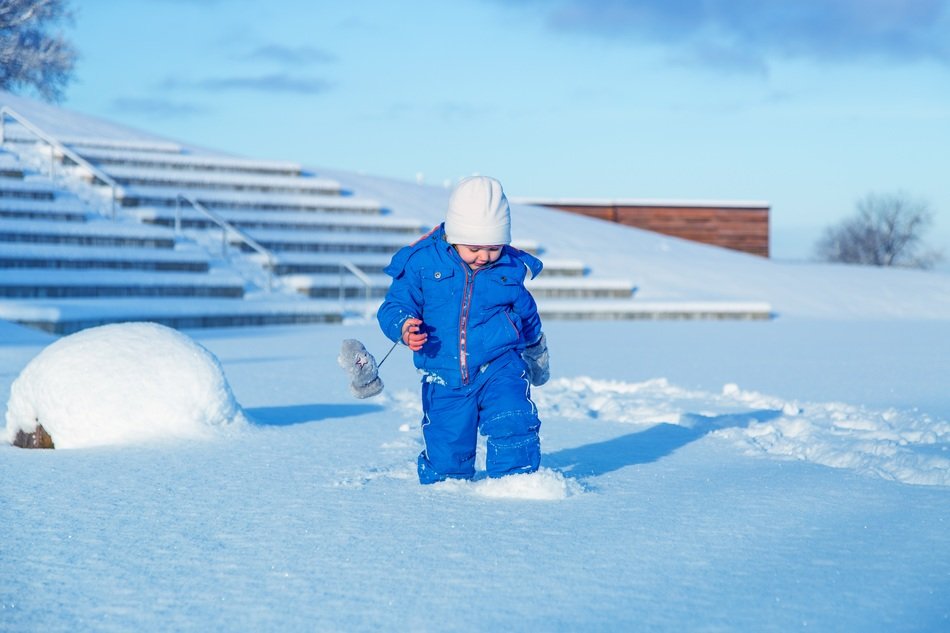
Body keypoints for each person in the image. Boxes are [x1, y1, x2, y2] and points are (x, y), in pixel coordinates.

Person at [377, 176, 551, 484]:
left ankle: (518, 483)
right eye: (474, 248)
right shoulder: (422, 264)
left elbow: (527, 313)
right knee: (448, 449)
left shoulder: (508, 268)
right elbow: (394, 305)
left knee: (513, 418)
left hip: (500, 365)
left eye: (494, 248)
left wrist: (535, 348)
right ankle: (448, 493)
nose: (484, 256)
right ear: (455, 235)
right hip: (444, 372)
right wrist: (404, 326)